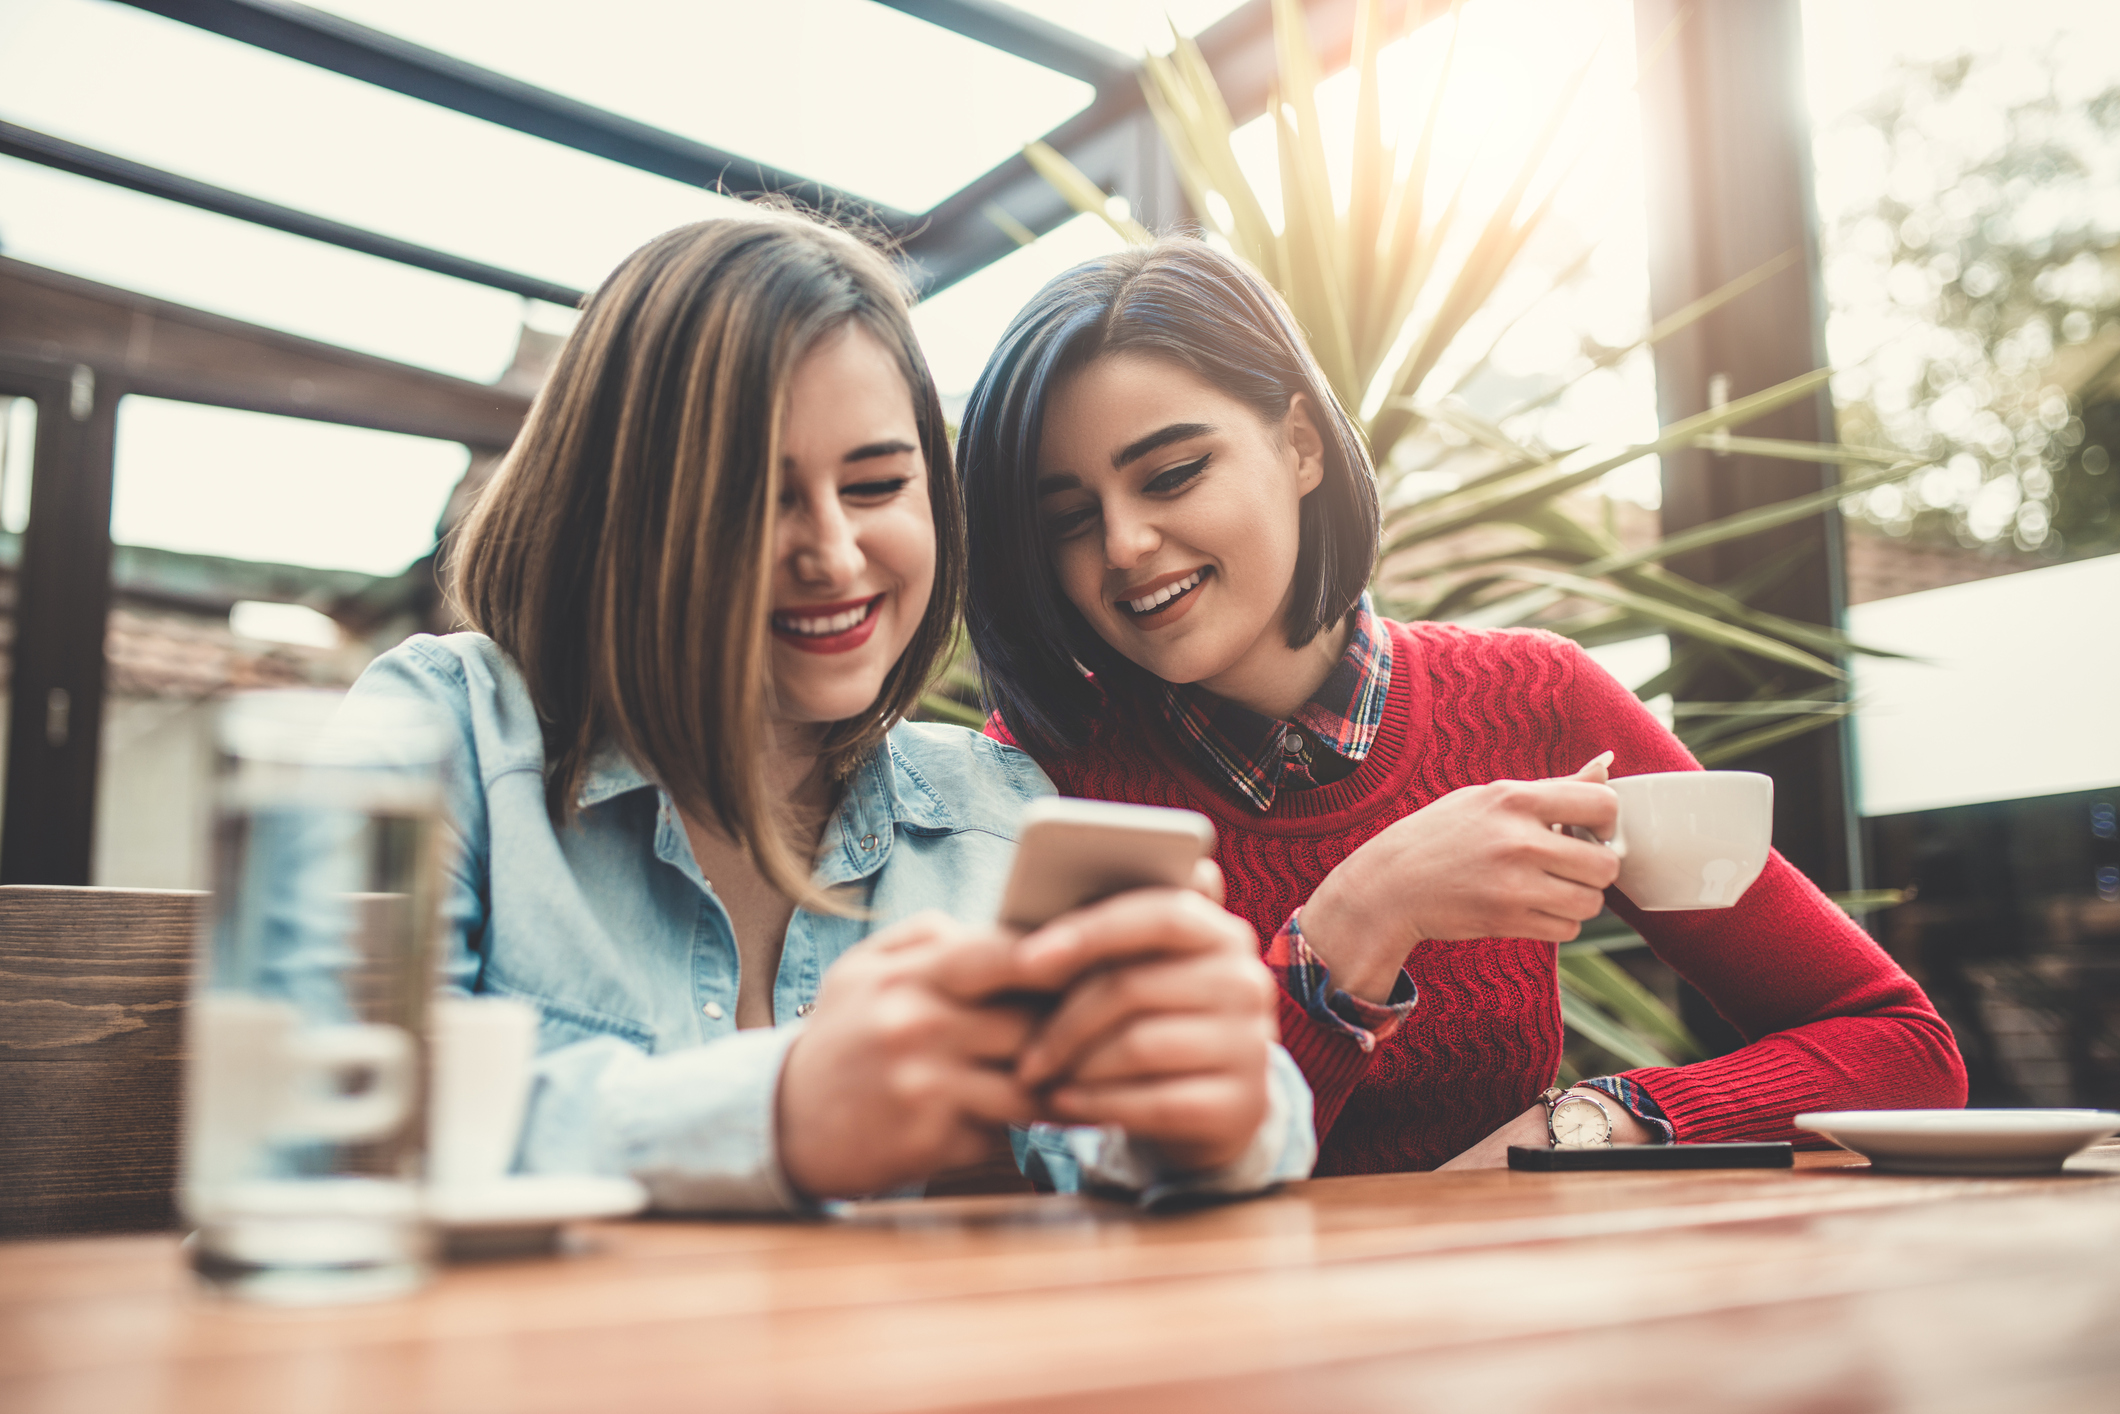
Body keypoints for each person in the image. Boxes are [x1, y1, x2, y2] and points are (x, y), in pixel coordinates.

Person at [346, 213, 1313, 1210]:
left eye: (877, 483)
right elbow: (330, 1104)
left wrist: (1208, 1104)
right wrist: (778, 1111)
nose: (836, 555)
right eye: (755, 496)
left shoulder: (989, 811)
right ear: (621, 509)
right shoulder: (443, 730)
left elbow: (1151, 1128)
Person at [954, 238, 1966, 1174]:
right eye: (1069, 519)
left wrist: (1585, 1124)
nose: (1123, 543)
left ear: (1300, 446)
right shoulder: (1036, 773)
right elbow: (1128, 1176)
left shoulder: (1535, 700)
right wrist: (1360, 915)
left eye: (1171, 474)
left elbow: (1901, 1050)